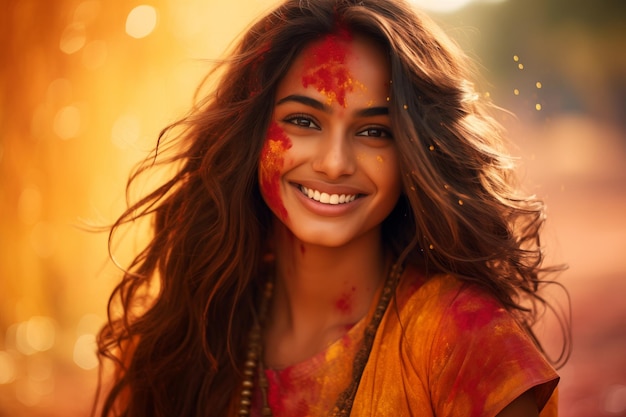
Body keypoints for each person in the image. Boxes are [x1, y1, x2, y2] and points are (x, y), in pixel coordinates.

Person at [95, 0, 571, 416]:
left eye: (374, 132)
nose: (335, 163)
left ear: (415, 153)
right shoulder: (184, 336)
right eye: (303, 121)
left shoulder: (467, 342)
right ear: (251, 133)